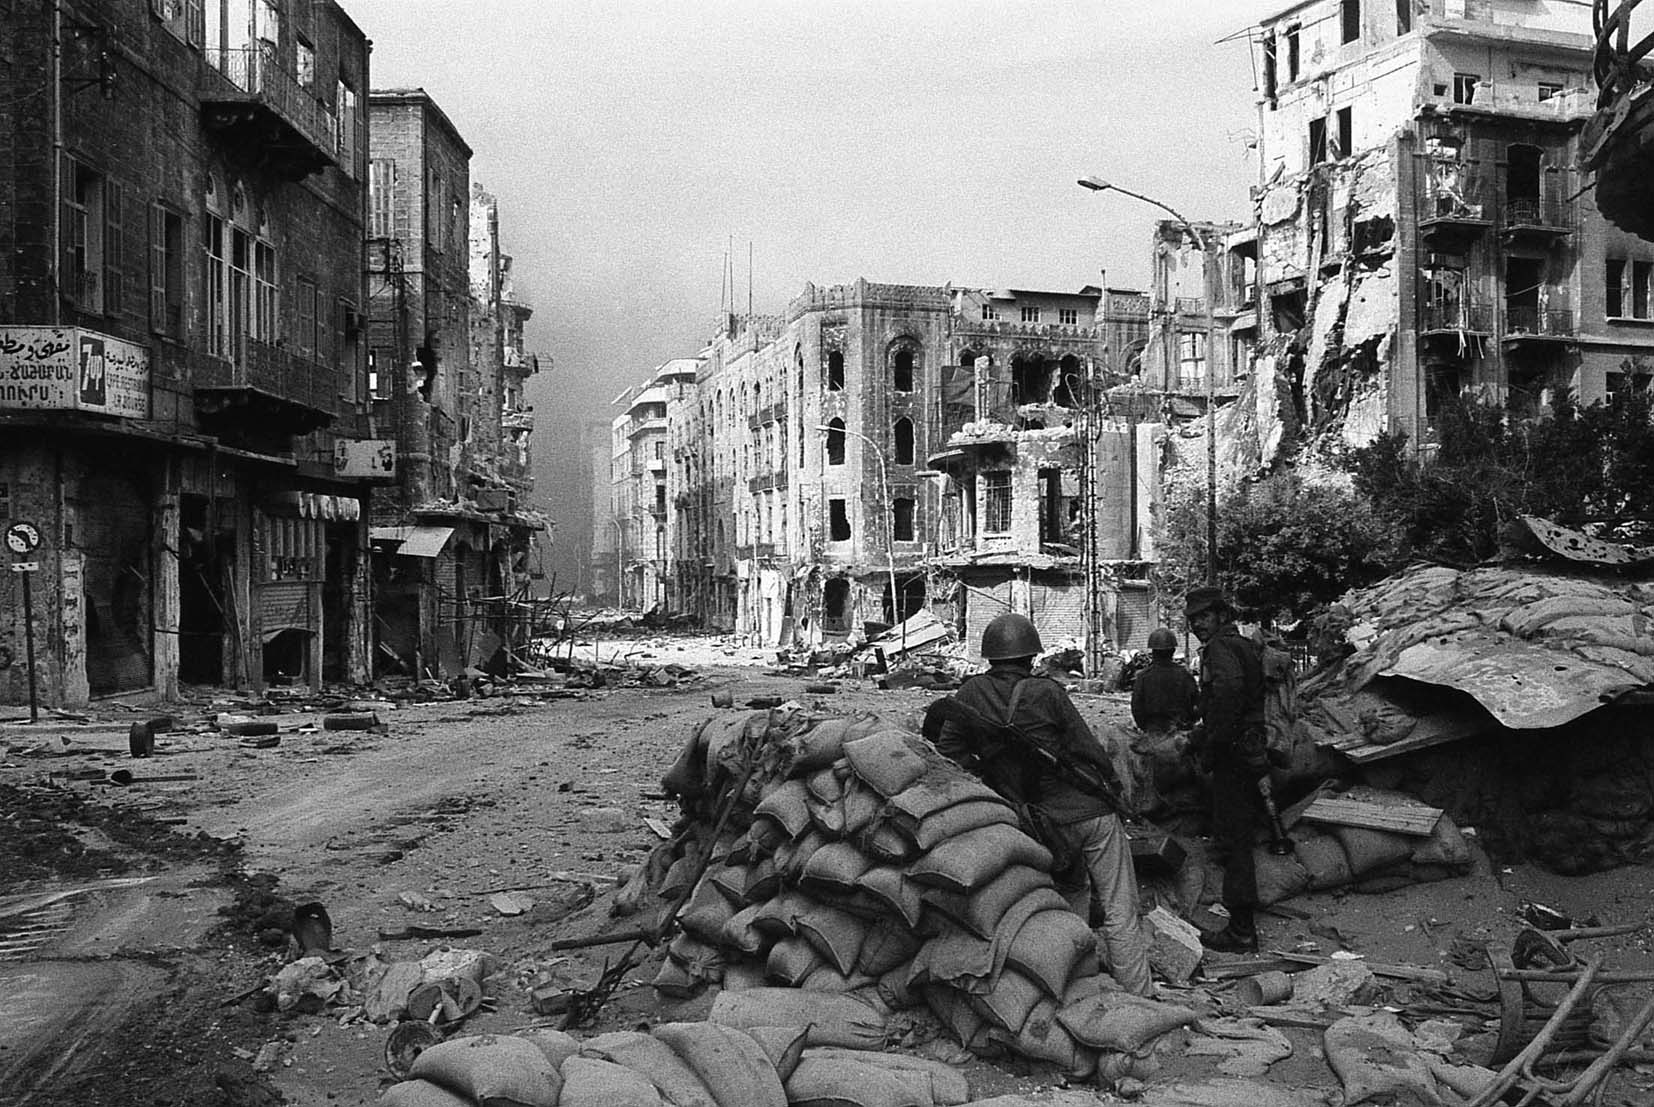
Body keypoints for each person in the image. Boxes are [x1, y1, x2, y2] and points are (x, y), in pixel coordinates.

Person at [929, 612, 1154, 996]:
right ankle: (1139, 993)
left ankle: (1077, 991)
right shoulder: (1047, 692)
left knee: (1068, 901)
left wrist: (994, 777)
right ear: (1031, 656)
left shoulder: (971, 694)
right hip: (1091, 812)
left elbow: (949, 753)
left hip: (1041, 822)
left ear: (989, 655)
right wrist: (1114, 789)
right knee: (1120, 906)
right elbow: (1088, 749)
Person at [1186, 586, 1268, 954]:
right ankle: (1241, 924)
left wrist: (1211, 746)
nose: (1197, 624)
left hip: (1233, 755)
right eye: (1193, 619)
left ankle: (1242, 931)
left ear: (1221, 615)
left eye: (1204, 616)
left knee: (1235, 841)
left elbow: (1230, 694)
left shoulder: (1221, 648)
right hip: (1247, 749)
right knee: (1238, 838)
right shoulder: (1241, 645)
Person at [1130, 627, 1198, 733]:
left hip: (1153, 731)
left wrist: (1145, 727)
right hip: (1179, 731)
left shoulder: (1143, 676)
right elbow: (1195, 703)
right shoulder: (1184, 675)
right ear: (1173, 651)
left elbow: (1136, 707)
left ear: (1153, 652)